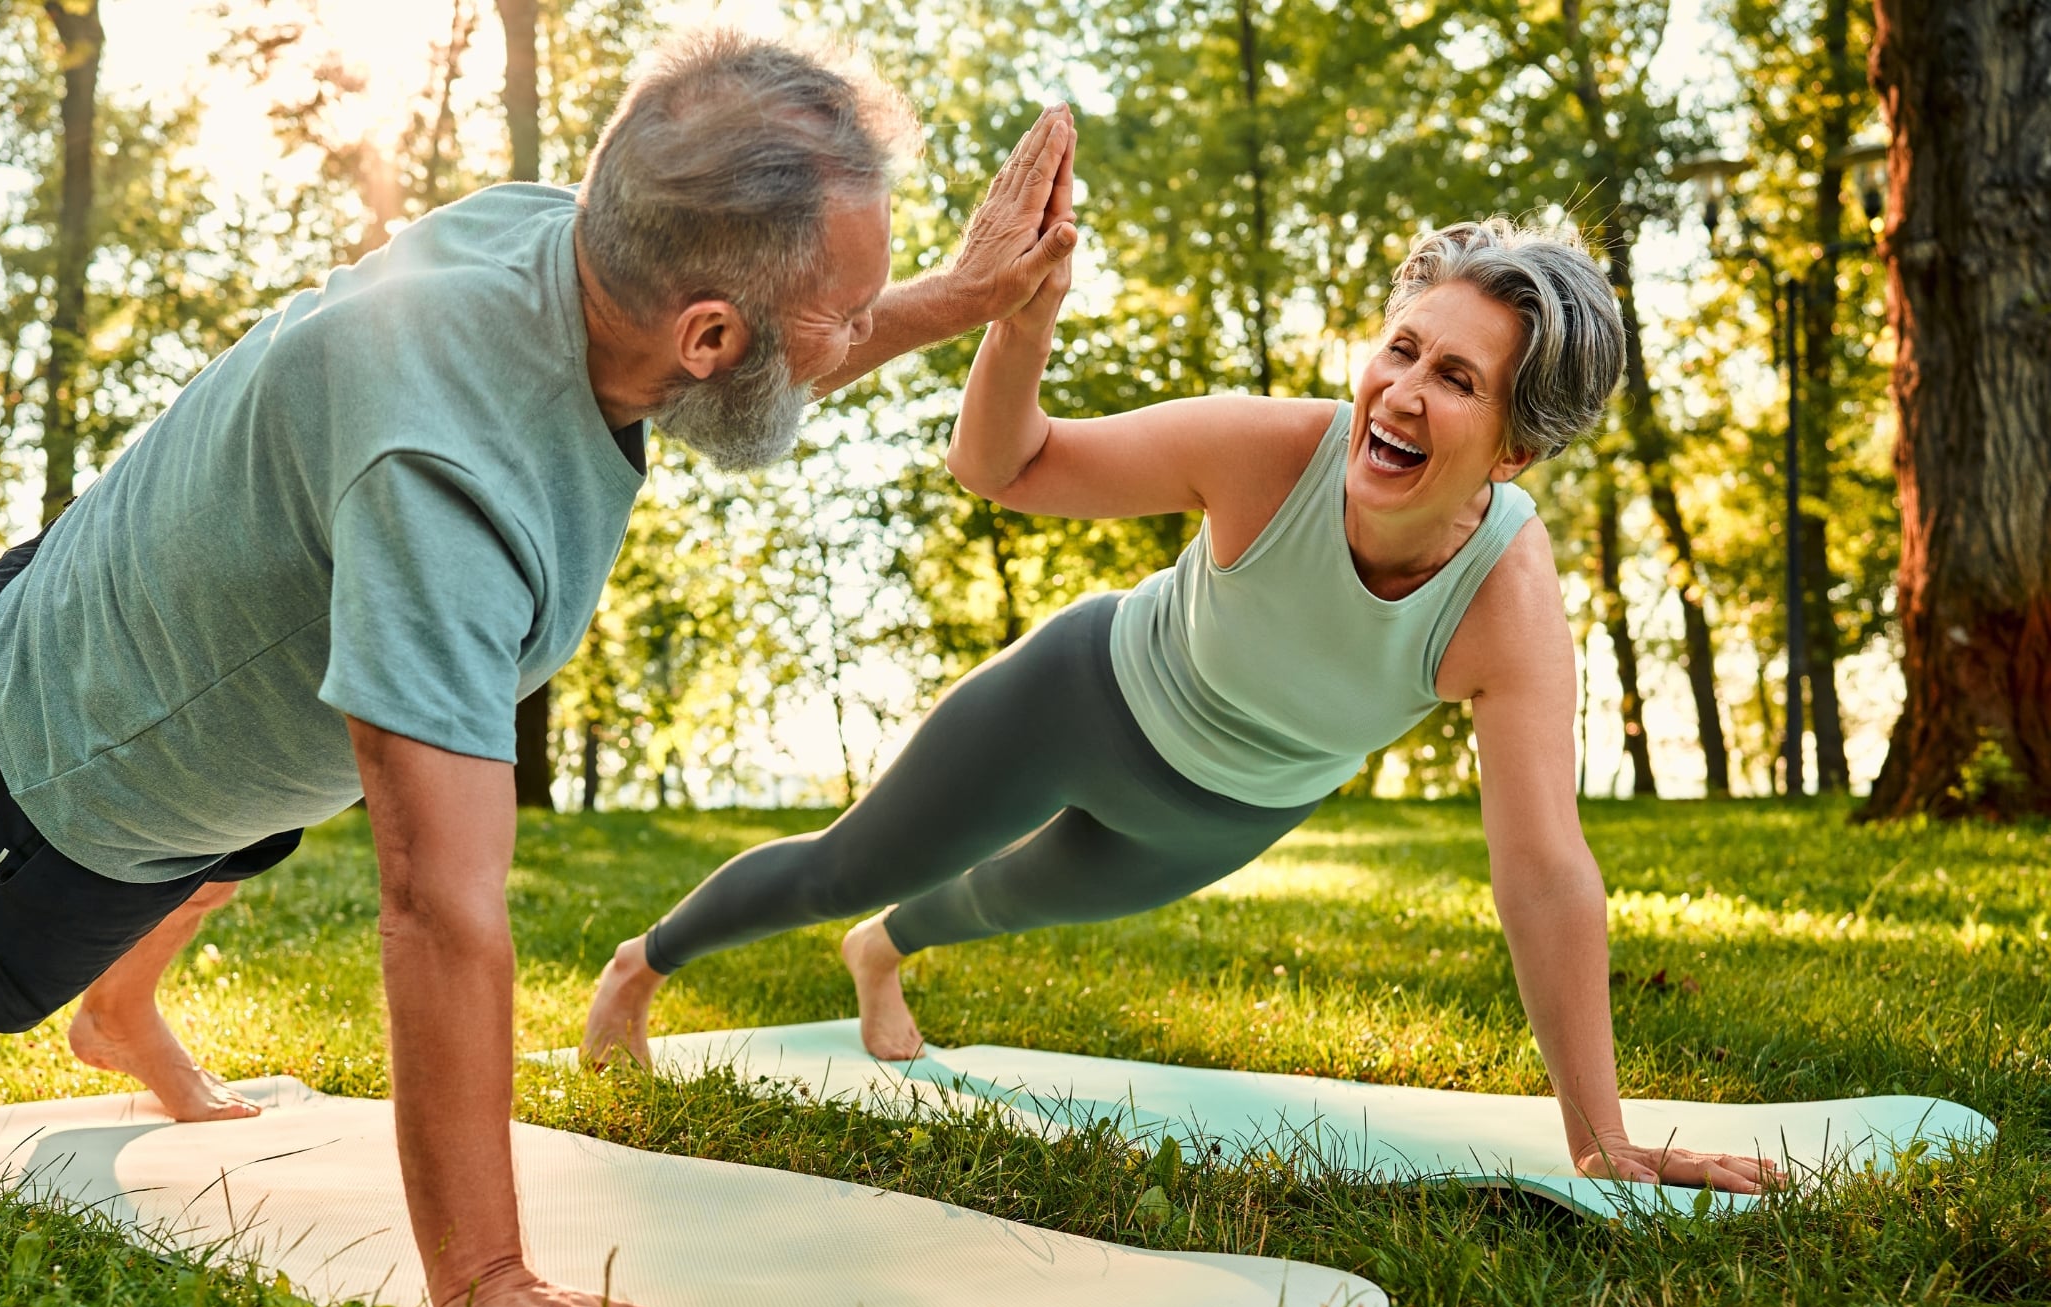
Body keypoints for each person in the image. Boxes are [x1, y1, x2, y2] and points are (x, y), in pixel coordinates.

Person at [0, 31, 1084, 1307]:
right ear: (705, 333)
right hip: (50, 756)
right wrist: (485, 1280)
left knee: (226, 852)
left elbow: (759, 363)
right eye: (848, 311)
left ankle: (118, 1011)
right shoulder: (444, 486)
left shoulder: (576, 241)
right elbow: (439, 908)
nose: (857, 334)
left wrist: (968, 297)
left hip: (205, 698)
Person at [582, 214, 1786, 1198]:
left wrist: (1599, 1138)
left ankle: (881, 954)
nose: (1402, 394)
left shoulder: (1504, 606)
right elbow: (1003, 466)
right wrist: (1023, 324)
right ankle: (641, 967)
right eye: (1402, 350)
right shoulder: (1270, 452)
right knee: (846, 865)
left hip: (1222, 815)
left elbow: (1543, 870)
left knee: (1002, 900)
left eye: (1457, 379)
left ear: (1513, 451)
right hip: (1078, 697)